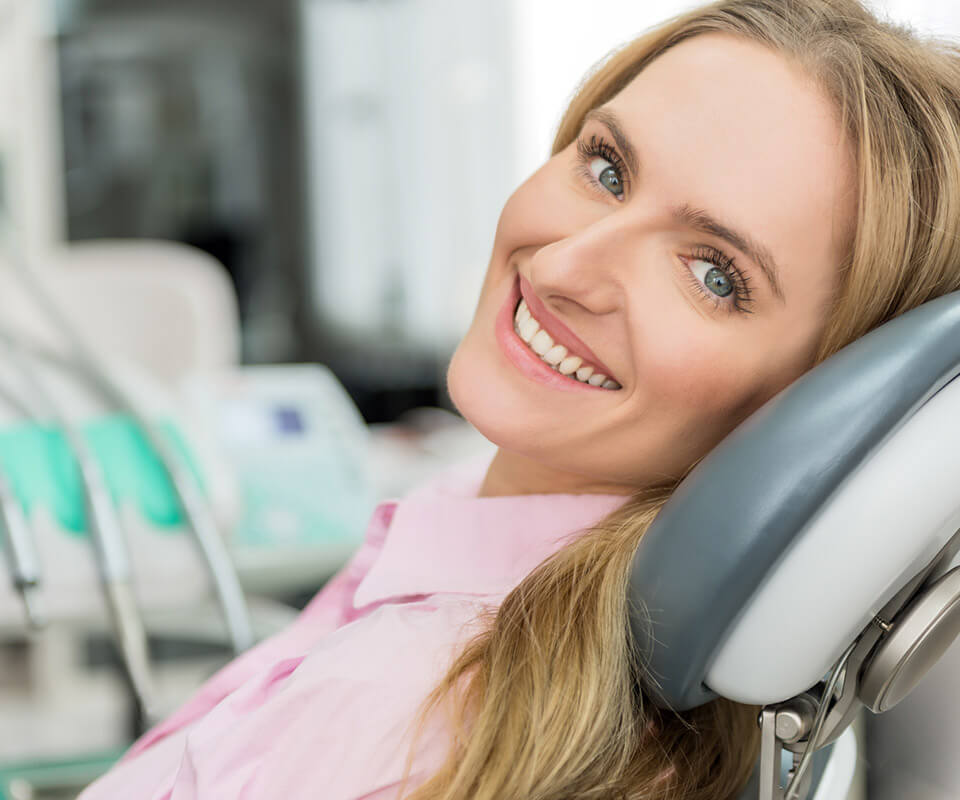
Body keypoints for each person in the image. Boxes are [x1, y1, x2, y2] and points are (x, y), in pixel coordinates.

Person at [79, 0, 960, 798]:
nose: (565, 265)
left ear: (819, 413)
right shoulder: (451, 595)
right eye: (608, 168)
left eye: (713, 275)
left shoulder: (409, 713)